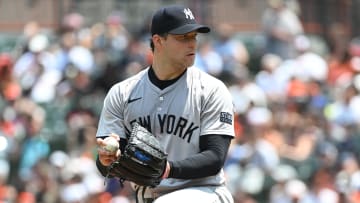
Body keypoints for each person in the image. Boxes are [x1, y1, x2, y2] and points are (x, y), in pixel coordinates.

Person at [95, 4, 235, 203]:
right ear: (158, 41)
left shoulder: (211, 89)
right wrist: (106, 160)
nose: (192, 44)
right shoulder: (122, 93)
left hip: (205, 191)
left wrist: (169, 169)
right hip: (147, 197)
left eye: (194, 36)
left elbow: (214, 157)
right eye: (183, 37)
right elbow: (109, 165)